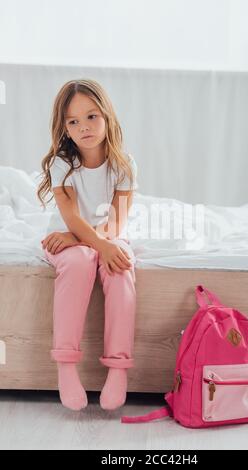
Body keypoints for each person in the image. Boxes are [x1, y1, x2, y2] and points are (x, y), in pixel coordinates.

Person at [37, 78, 139, 412]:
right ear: (65, 128)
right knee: (81, 262)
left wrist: (101, 245)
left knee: (121, 268)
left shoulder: (123, 166)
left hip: (105, 236)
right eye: (73, 121)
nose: (84, 127)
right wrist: (81, 240)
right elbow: (70, 217)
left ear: (107, 116)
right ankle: (66, 366)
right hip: (67, 239)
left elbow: (116, 222)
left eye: (92, 116)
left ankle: (118, 369)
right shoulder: (61, 164)